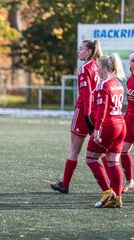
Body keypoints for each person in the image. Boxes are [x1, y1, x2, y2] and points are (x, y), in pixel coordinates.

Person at [50, 40, 105, 193]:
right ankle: (113, 186)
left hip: (84, 112)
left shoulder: (85, 68)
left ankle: (65, 185)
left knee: (74, 149)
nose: (78, 51)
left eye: (80, 49)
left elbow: (86, 94)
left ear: (89, 52)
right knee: (104, 151)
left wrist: (86, 115)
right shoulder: (98, 65)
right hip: (98, 110)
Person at [86, 53, 126, 208]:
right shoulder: (117, 83)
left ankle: (108, 192)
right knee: (113, 162)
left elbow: (102, 109)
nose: (96, 70)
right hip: (120, 125)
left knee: (90, 158)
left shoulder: (104, 84)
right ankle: (117, 197)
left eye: (97, 67)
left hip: (108, 126)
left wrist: (97, 129)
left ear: (103, 68)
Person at [120, 50, 134, 193]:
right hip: (129, 120)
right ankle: (130, 181)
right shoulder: (130, 79)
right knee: (123, 151)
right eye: (133, 60)